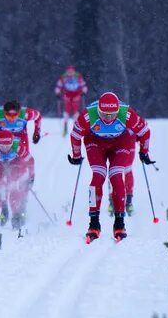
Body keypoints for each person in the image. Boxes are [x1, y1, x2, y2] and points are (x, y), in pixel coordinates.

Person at [68, 91, 152, 242]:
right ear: (98, 110)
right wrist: (76, 155)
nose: (108, 118)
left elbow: (145, 131)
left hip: (121, 142)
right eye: (104, 114)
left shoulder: (126, 114)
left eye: (112, 114)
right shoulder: (89, 115)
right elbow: (75, 135)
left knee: (116, 175)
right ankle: (94, 224)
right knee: (98, 176)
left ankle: (119, 223)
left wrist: (144, 152)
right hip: (95, 141)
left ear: (118, 110)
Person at [0, 129, 34, 231]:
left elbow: (30, 161)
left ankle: (16, 214)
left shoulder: (17, 147)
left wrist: (31, 178)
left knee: (14, 183)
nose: (5, 149)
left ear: (12, 143)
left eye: (7, 146)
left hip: (14, 161)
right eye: (2, 146)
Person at [55, 65, 87, 132]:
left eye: (71, 71)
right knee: (67, 111)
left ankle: (76, 127)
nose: (70, 73)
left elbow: (83, 84)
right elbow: (58, 85)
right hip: (67, 96)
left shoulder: (78, 76)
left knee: (75, 112)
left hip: (76, 96)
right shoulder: (63, 77)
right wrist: (57, 93)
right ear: (66, 71)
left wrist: (84, 91)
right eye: (68, 72)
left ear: (73, 71)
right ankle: (65, 127)